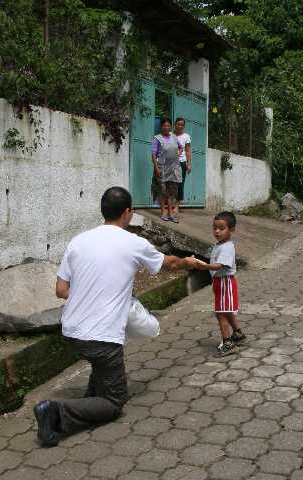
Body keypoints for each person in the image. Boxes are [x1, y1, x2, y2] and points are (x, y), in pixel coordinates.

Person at [33, 187, 206, 446]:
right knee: (114, 402)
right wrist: (189, 263)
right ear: (127, 213)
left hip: (71, 331)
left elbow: (61, 290)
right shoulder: (133, 243)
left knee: (101, 362)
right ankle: (56, 412)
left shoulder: (78, 241)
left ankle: (91, 395)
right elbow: (169, 263)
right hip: (101, 338)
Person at [193, 211, 246, 356]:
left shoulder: (227, 247)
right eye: (215, 228)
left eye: (221, 228)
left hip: (225, 283)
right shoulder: (220, 245)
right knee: (226, 311)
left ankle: (227, 342)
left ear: (231, 229)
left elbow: (219, 265)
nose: (217, 231)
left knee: (221, 314)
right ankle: (238, 334)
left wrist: (204, 266)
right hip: (219, 282)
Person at [151, 118, 182, 223]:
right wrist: (156, 168)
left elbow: (181, 147)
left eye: (168, 126)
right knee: (162, 191)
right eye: (164, 125)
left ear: (171, 127)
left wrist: (178, 154)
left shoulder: (174, 137)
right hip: (162, 168)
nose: (166, 127)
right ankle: (163, 213)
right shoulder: (157, 139)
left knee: (171, 192)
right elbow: (154, 155)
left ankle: (171, 214)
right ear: (161, 127)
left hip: (173, 168)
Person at [174, 117, 192, 216]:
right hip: (170, 162)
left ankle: (177, 205)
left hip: (182, 162)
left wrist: (189, 163)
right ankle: (169, 203)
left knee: (180, 183)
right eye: (178, 124)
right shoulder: (170, 135)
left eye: (182, 125)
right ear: (175, 124)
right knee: (169, 183)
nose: (180, 126)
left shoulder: (186, 136)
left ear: (184, 126)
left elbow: (188, 150)